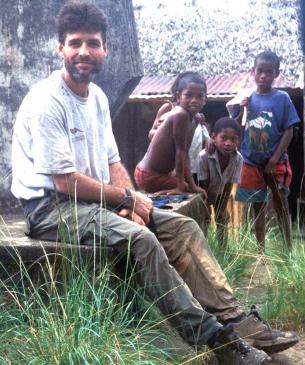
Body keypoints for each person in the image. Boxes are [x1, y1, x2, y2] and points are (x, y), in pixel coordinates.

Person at [11, 2, 298, 363]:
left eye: (93, 43)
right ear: (61, 49)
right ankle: (216, 342)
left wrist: (128, 202)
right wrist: (126, 200)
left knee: (183, 226)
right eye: (75, 43)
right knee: (141, 239)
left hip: (92, 202)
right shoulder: (47, 100)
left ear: (105, 50)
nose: (84, 51)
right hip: (50, 208)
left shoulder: (96, 98)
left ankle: (236, 320)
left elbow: (114, 162)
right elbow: (64, 181)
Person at [226, 51, 300, 251]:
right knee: (256, 207)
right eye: (260, 71)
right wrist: (242, 111)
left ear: (276, 73)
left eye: (269, 72)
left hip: (275, 160)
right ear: (253, 71)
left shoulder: (282, 98)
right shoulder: (246, 97)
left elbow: (289, 130)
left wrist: (274, 160)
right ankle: (261, 252)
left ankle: (288, 250)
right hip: (250, 161)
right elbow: (234, 131)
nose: (264, 76)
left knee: (281, 203)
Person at [134, 71, 208, 196]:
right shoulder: (180, 114)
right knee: (185, 189)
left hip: (158, 174)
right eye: (188, 95)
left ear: (205, 99)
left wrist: (192, 185)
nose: (194, 100)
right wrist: (180, 186)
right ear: (178, 97)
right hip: (148, 175)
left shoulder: (194, 119)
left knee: (188, 188)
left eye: (199, 96)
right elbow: (180, 152)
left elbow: (184, 155)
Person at [198, 117, 243, 246]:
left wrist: (222, 207)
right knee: (203, 219)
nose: (228, 143)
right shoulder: (204, 156)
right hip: (203, 193)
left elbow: (229, 184)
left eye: (233, 139)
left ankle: (223, 250)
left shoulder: (237, 158)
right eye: (223, 138)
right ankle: (204, 250)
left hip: (221, 193)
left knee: (223, 218)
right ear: (214, 137)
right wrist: (205, 206)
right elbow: (202, 185)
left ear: (238, 141)